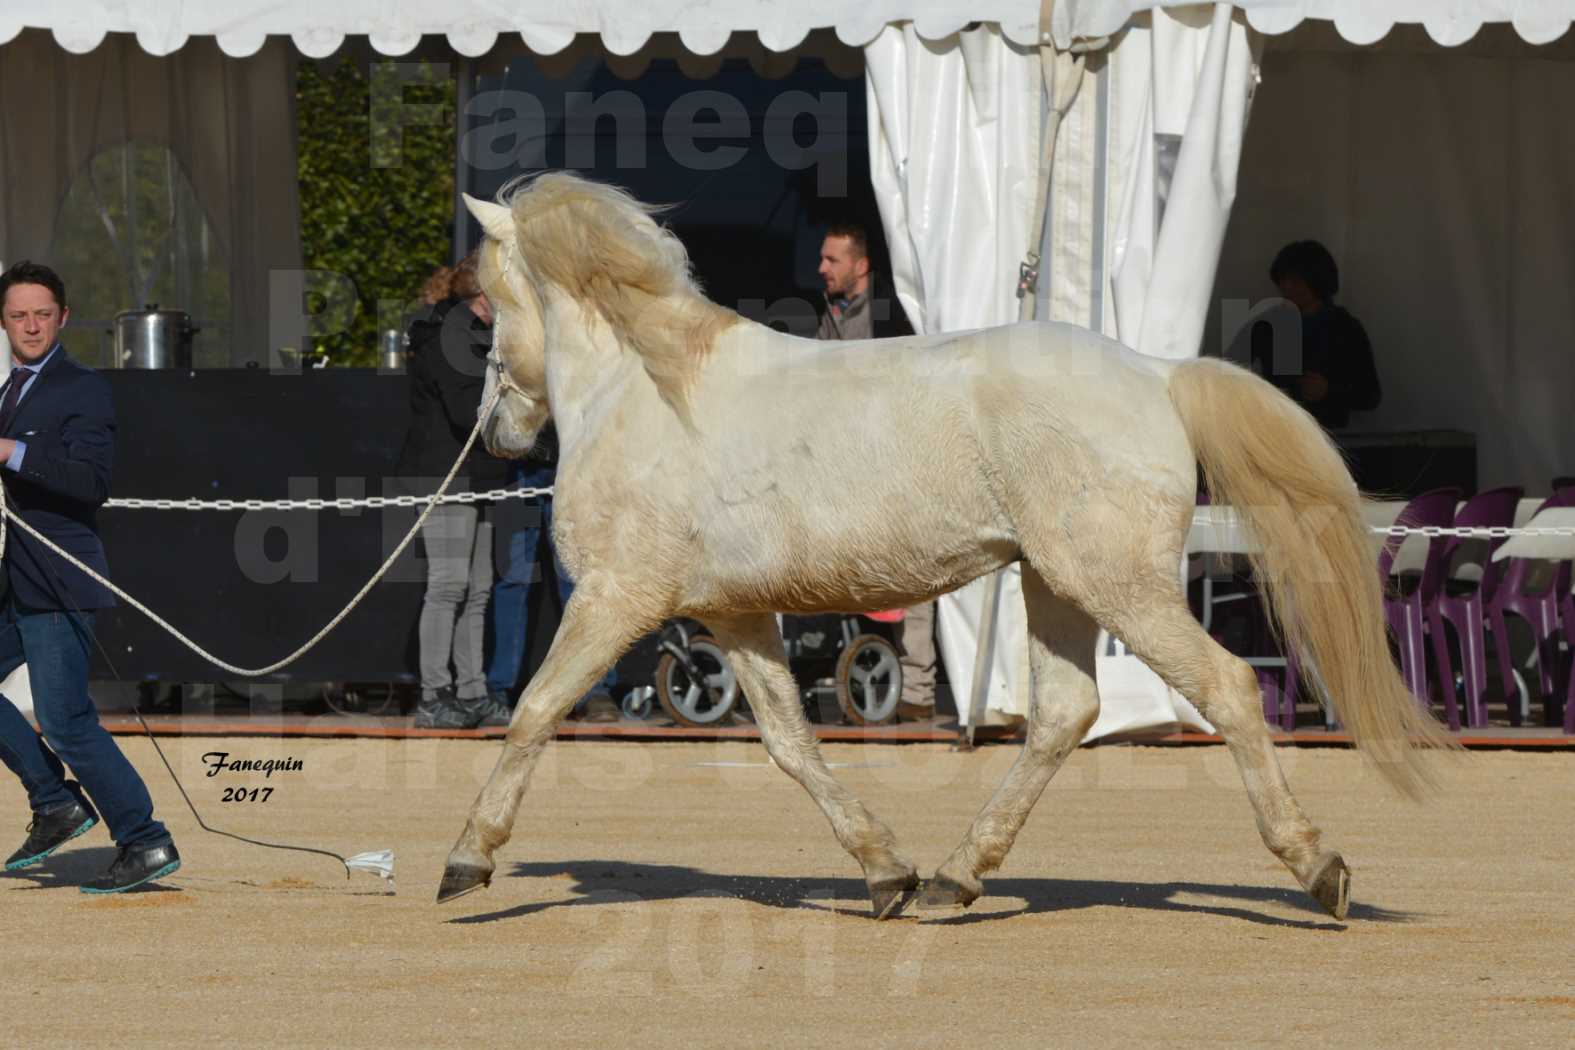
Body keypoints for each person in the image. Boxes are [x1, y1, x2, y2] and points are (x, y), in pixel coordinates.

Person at [0, 260, 181, 893]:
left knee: (67, 719)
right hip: (13, 580)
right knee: (63, 716)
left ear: (64, 318)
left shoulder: (81, 387)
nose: (30, 325)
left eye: (42, 314)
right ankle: (54, 803)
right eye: (19, 314)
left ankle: (145, 840)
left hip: (58, 578)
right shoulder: (11, 387)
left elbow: (90, 482)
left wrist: (10, 452)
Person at [811, 224, 936, 721]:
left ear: (860, 267)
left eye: (832, 260)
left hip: (899, 469)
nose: (821, 268)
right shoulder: (829, 313)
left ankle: (919, 693)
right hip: (847, 472)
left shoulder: (893, 316)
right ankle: (860, 684)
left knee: (915, 577)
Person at [395, 253, 511, 729]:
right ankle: (433, 694)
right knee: (447, 586)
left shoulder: (482, 335)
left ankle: (471, 690)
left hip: (478, 476)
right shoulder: (450, 337)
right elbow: (468, 411)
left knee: (479, 589)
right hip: (443, 477)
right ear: (483, 297)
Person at [485, 429, 620, 723]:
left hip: (577, 465)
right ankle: (499, 689)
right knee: (513, 579)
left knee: (580, 584)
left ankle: (595, 689)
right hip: (522, 467)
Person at [1251, 239, 1382, 430]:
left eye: (1295, 282)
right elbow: (1241, 375)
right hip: (1277, 436)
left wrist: (1329, 391)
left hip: (1327, 440)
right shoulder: (1267, 328)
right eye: (1282, 282)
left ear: (1316, 281)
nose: (1286, 288)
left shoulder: (1345, 329)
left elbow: (1370, 395)